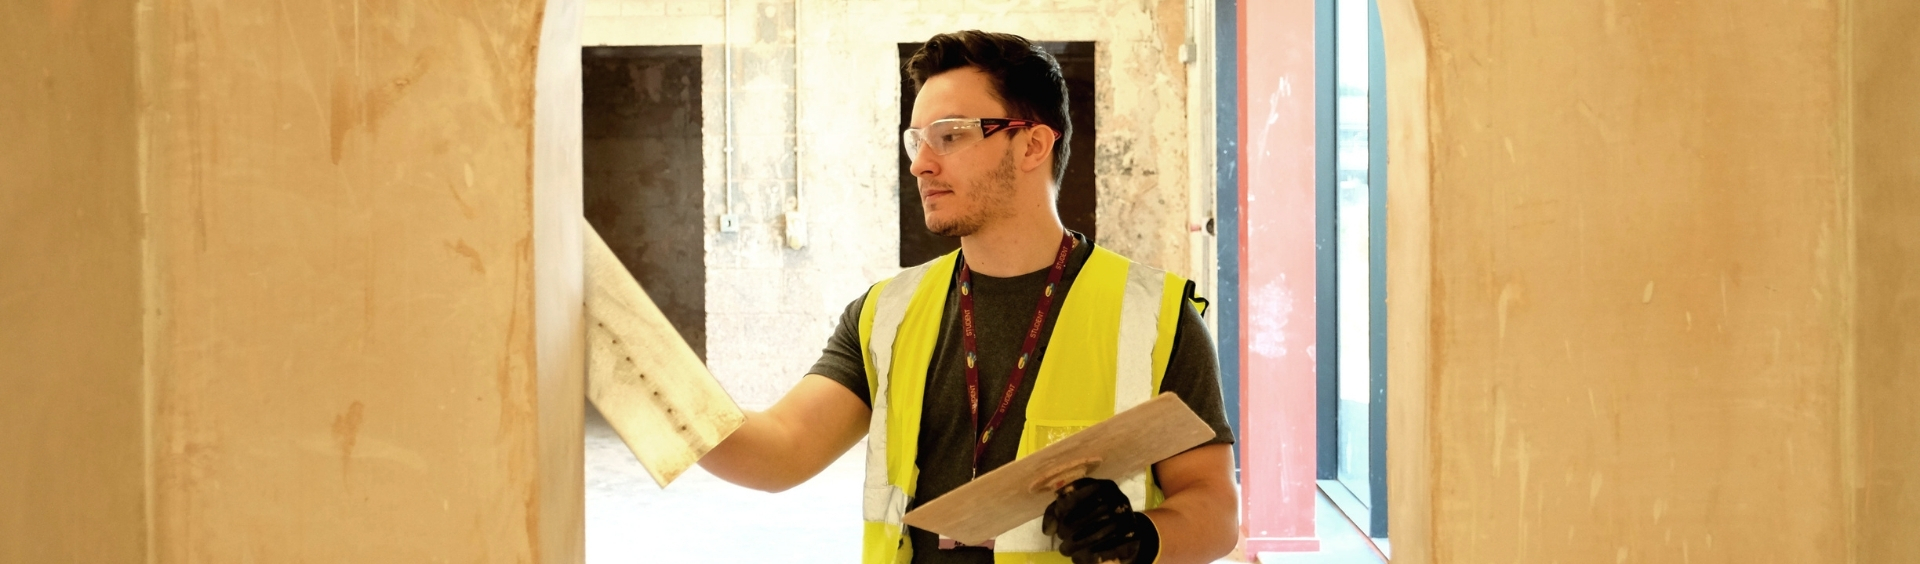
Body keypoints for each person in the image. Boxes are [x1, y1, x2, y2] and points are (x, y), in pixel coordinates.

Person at [697, 30, 1238, 564]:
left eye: (950, 135)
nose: (920, 164)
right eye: (916, 140)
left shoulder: (1154, 316)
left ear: (1032, 144)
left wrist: (1141, 538)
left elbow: (1214, 510)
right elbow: (777, 451)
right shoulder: (885, 313)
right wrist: (643, 378)